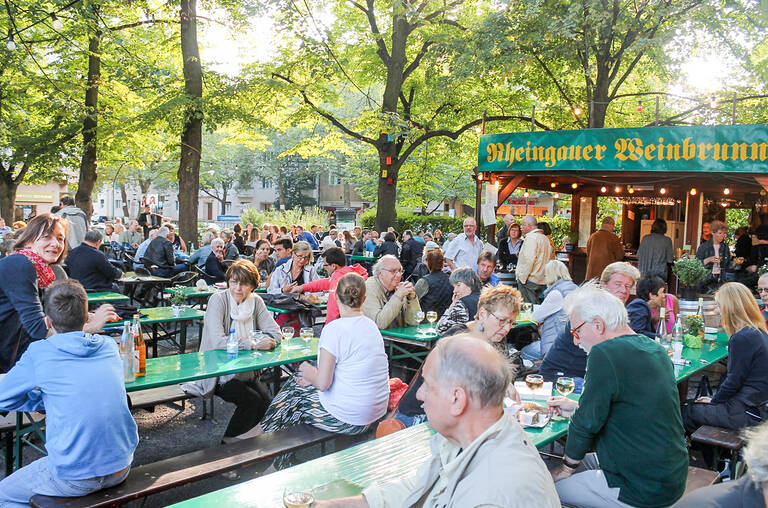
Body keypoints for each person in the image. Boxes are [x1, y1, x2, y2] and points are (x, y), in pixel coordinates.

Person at [316, 335, 560, 508]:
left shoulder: (491, 495)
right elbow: (418, 487)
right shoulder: (471, 436)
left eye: (427, 386)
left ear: (457, 399)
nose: (419, 395)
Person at [548, 284, 688, 508]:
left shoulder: (606, 353)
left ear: (598, 325)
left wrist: (566, 468)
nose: (575, 340)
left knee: (546, 490)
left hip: (639, 486)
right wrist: (576, 406)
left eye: (577, 332)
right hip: (669, 474)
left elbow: (586, 422)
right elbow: (628, 409)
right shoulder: (655, 349)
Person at [0, 280, 138, 505]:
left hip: (74, 477)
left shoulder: (40, 352)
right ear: (87, 318)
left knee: (3, 495)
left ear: (47, 321)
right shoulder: (108, 346)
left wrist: (38, 401)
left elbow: (3, 396)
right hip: (121, 466)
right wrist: (45, 399)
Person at [242, 273, 390, 466]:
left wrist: (307, 371)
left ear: (335, 297)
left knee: (293, 396)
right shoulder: (371, 326)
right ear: (364, 299)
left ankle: (256, 445)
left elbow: (323, 383)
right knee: (296, 394)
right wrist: (310, 378)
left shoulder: (335, 329)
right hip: (375, 411)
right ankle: (265, 450)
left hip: (351, 418)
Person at [0, 214, 116, 373]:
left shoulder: (38, 269)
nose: (55, 244)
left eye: (60, 239)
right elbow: (40, 330)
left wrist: (85, 317)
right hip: (7, 364)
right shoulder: (19, 264)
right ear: (29, 239)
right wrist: (92, 327)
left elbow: (44, 317)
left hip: (16, 357)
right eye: (47, 237)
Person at [182, 260, 281, 441]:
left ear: (253, 286)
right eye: (233, 282)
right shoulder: (218, 300)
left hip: (247, 371)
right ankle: (227, 446)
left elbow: (276, 332)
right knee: (252, 402)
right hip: (218, 372)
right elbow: (219, 341)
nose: (237, 287)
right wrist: (253, 344)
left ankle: (245, 445)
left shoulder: (256, 302)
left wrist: (263, 340)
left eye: (243, 283)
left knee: (266, 403)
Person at [397, 286, 523, 427]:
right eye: (502, 320)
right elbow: (453, 391)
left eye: (511, 322)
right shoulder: (458, 338)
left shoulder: (496, 338)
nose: (506, 328)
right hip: (420, 417)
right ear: (482, 314)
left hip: (453, 416)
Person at [682, 282, 768, 432]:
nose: (718, 310)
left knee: (687, 411)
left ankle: (689, 453)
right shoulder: (759, 332)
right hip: (758, 406)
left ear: (730, 308)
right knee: (694, 406)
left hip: (749, 412)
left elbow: (733, 381)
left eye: (719, 306)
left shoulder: (742, 337)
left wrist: (714, 400)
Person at [539, 261, 640, 390]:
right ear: (603, 285)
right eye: (618, 284)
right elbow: (607, 359)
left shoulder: (614, 313)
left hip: (585, 375)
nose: (623, 290)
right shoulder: (589, 313)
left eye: (627, 286)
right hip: (561, 378)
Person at [672, 420, 768, 508]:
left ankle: (717, 464)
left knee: (688, 413)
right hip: (748, 415)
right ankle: (720, 463)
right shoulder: (703, 504)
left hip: (743, 415)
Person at [288, 247, 368, 324]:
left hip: (343, 323)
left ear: (333, 266)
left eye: (325, 265)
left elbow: (333, 307)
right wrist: (302, 287)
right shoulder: (350, 274)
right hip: (360, 320)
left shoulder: (337, 278)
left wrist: (328, 326)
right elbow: (327, 282)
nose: (324, 267)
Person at [521, 260, 578, 363]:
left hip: (556, 345)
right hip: (572, 343)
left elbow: (536, 317)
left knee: (524, 351)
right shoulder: (574, 288)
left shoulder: (557, 293)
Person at [361, 255, 422, 329]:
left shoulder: (398, 288)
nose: (399, 275)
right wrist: (398, 296)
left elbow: (415, 321)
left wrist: (411, 298)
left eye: (400, 271)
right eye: (393, 271)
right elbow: (379, 324)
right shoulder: (368, 288)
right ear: (380, 274)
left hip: (399, 338)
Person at [435, 267, 483, 335]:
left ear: (471, 282)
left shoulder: (463, 304)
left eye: (458, 285)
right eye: (454, 287)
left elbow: (440, 329)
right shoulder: (485, 297)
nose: (455, 291)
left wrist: (452, 305)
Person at [516, 215, 553, 303]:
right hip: (541, 278)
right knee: (535, 306)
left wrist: (522, 278)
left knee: (527, 309)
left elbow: (529, 260)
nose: (521, 227)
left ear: (529, 225)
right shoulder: (545, 238)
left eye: (523, 224)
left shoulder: (531, 238)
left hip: (530, 279)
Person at [414, 250, 453, 318]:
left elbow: (413, 300)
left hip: (428, 320)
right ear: (442, 263)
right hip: (445, 318)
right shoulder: (451, 279)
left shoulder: (424, 281)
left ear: (427, 263)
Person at [627, 275, 666, 340]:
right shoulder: (639, 305)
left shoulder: (643, 305)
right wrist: (661, 337)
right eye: (661, 292)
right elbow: (637, 332)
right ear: (652, 295)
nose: (663, 296)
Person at [585, 216, 624, 280]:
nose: (613, 228)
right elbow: (620, 256)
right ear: (611, 225)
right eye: (613, 225)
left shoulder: (592, 236)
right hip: (606, 274)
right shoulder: (613, 237)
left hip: (591, 273)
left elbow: (588, 253)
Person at [696, 219, 730, 292]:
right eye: (720, 233)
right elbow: (696, 265)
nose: (722, 235)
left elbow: (727, 265)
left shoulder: (725, 247)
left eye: (724, 233)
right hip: (705, 282)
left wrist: (736, 263)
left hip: (720, 280)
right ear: (712, 233)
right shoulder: (703, 247)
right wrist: (709, 259)